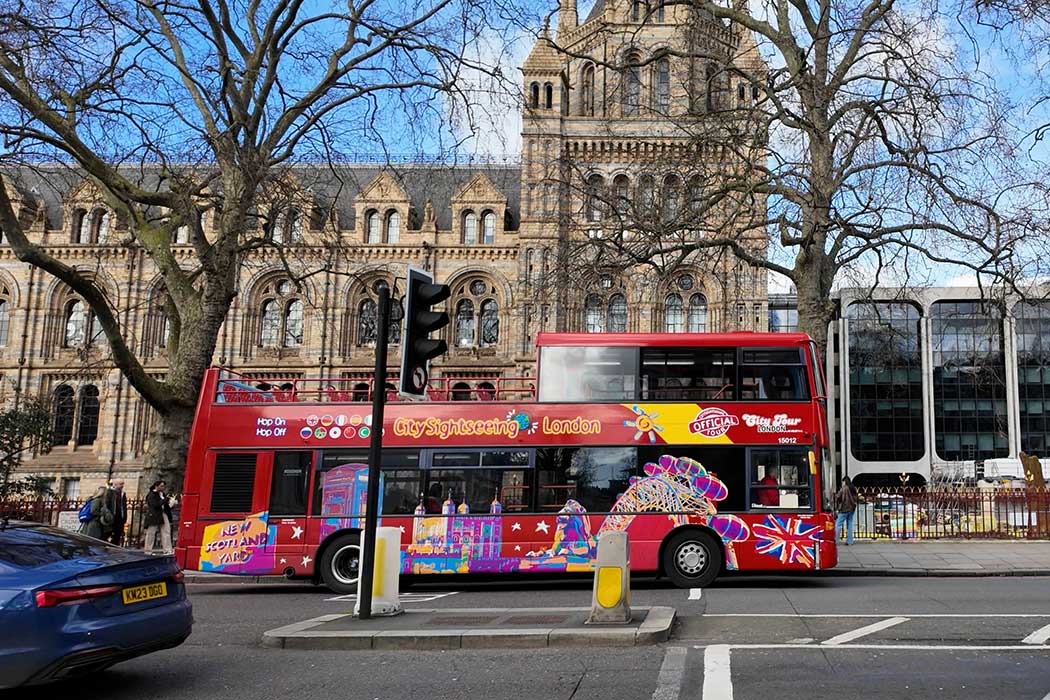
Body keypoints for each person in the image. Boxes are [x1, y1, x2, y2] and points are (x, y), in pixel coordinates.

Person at [144, 480, 174, 554]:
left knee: (166, 531)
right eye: (161, 486)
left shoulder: (162, 494)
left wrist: (171, 504)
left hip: (163, 514)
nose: (163, 488)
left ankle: (167, 549)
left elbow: (165, 505)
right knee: (151, 533)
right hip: (154, 515)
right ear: (156, 486)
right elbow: (155, 505)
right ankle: (148, 550)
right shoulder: (151, 494)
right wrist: (165, 500)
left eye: (164, 486)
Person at [834, 476, 860, 545]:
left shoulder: (844, 488)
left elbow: (838, 497)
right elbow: (856, 498)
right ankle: (849, 541)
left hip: (844, 509)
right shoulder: (853, 488)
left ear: (845, 481)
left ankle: (836, 541)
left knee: (838, 524)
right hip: (852, 509)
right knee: (850, 524)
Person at [106, 479, 128, 546]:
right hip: (112, 516)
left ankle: (115, 549)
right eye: (121, 484)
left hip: (120, 517)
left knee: (117, 535)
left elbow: (123, 506)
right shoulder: (109, 492)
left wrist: (124, 517)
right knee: (108, 533)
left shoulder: (122, 493)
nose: (122, 486)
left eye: (123, 484)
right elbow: (106, 505)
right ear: (115, 484)